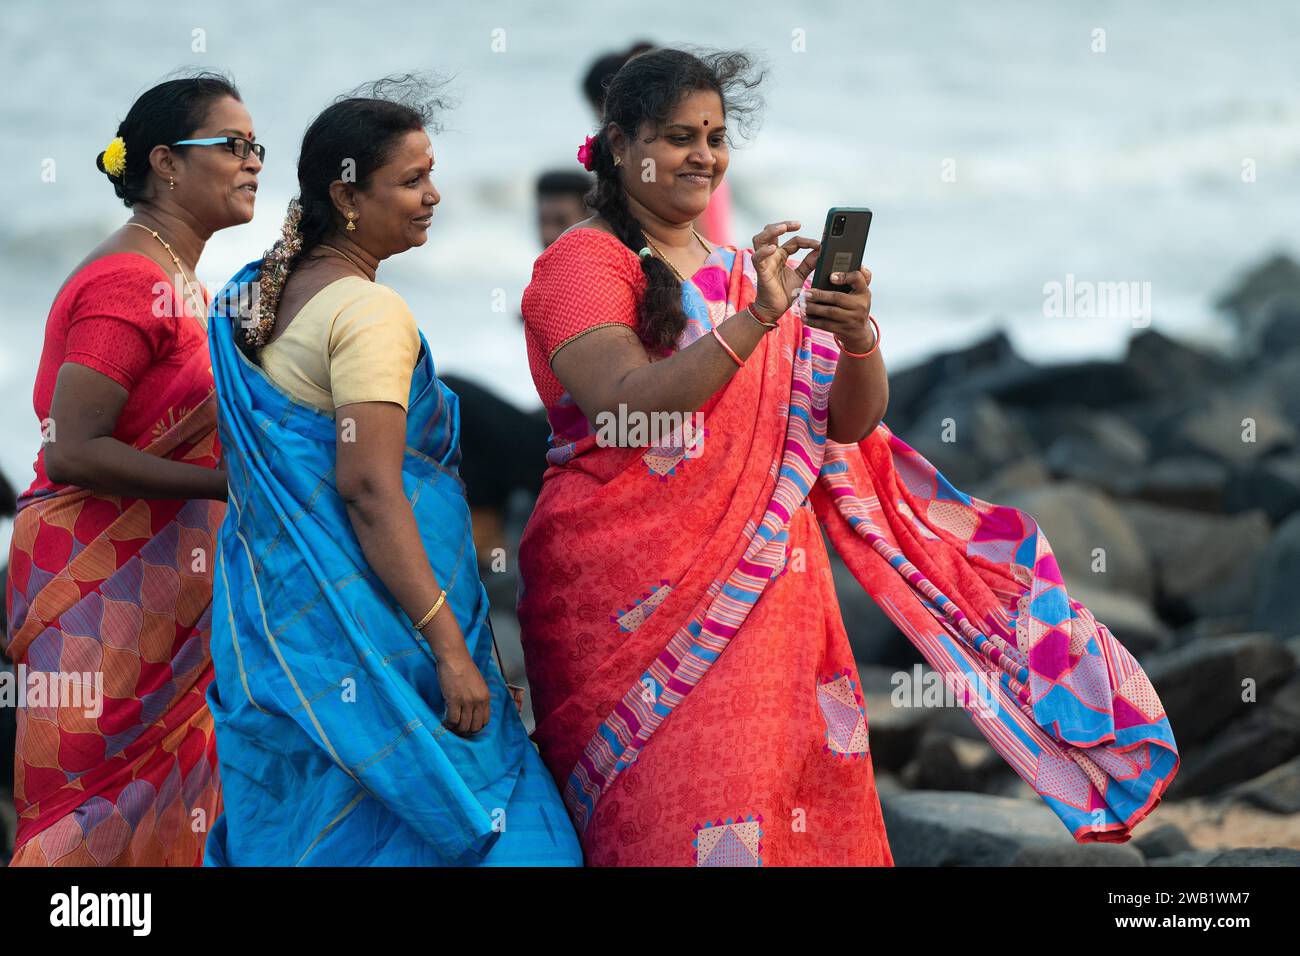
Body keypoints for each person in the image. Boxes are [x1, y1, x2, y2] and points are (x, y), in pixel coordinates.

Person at [518, 47, 1179, 866]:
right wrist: (757, 320)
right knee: (663, 820)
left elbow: (849, 422)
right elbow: (624, 408)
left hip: (767, 597)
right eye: (679, 136)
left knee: (774, 805)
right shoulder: (582, 264)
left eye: (716, 136)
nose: (703, 155)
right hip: (625, 599)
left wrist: (854, 334)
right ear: (619, 145)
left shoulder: (740, 276)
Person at [203, 77, 582, 866]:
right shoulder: (368, 312)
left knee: (330, 829)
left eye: (431, 174)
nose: (433, 195)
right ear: (346, 194)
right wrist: (448, 647)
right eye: (411, 181)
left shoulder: (257, 298)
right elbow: (370, 488)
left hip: (288, 635)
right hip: (383, 634)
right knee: (520, 841)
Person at [3, 73, 258, 866]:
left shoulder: (184, 282)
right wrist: (226, 486)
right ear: (166, 163)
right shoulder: (130, 282)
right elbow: (72, 447)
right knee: (84, 822)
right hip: (92, 586)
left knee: (173, 815)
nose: (254, 162)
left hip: (167, 596)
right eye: (234, 145)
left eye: (259, 148)